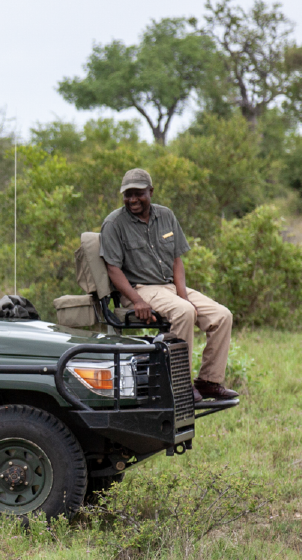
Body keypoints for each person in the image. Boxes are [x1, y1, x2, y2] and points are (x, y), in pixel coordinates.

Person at [100, 169, 238, 402]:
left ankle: (209, 382)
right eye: (128, 194)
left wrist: (182, 293)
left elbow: (177, 260)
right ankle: (179, 384)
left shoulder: (166, 216)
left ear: (150, 192)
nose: (132, 199)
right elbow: (113, 269)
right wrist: (137, 300)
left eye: (138, 193)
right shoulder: (114, 223)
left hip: (170, 287)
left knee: (222, 315)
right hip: (141, 288)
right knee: (184, 312)